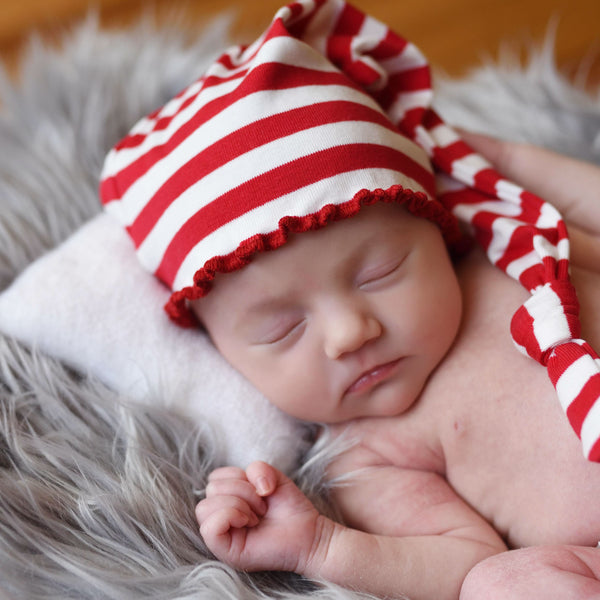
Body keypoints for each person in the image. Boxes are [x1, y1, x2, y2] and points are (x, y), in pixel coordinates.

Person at [98, 0, 600, 598]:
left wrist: (503, 162)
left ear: (431, 222)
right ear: (222, 350)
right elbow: (460, 561)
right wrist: (320, 544)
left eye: (379, 272)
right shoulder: (367, 452)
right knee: (498, 582)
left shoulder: (507, 244)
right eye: (283, 329)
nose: (349, 332)